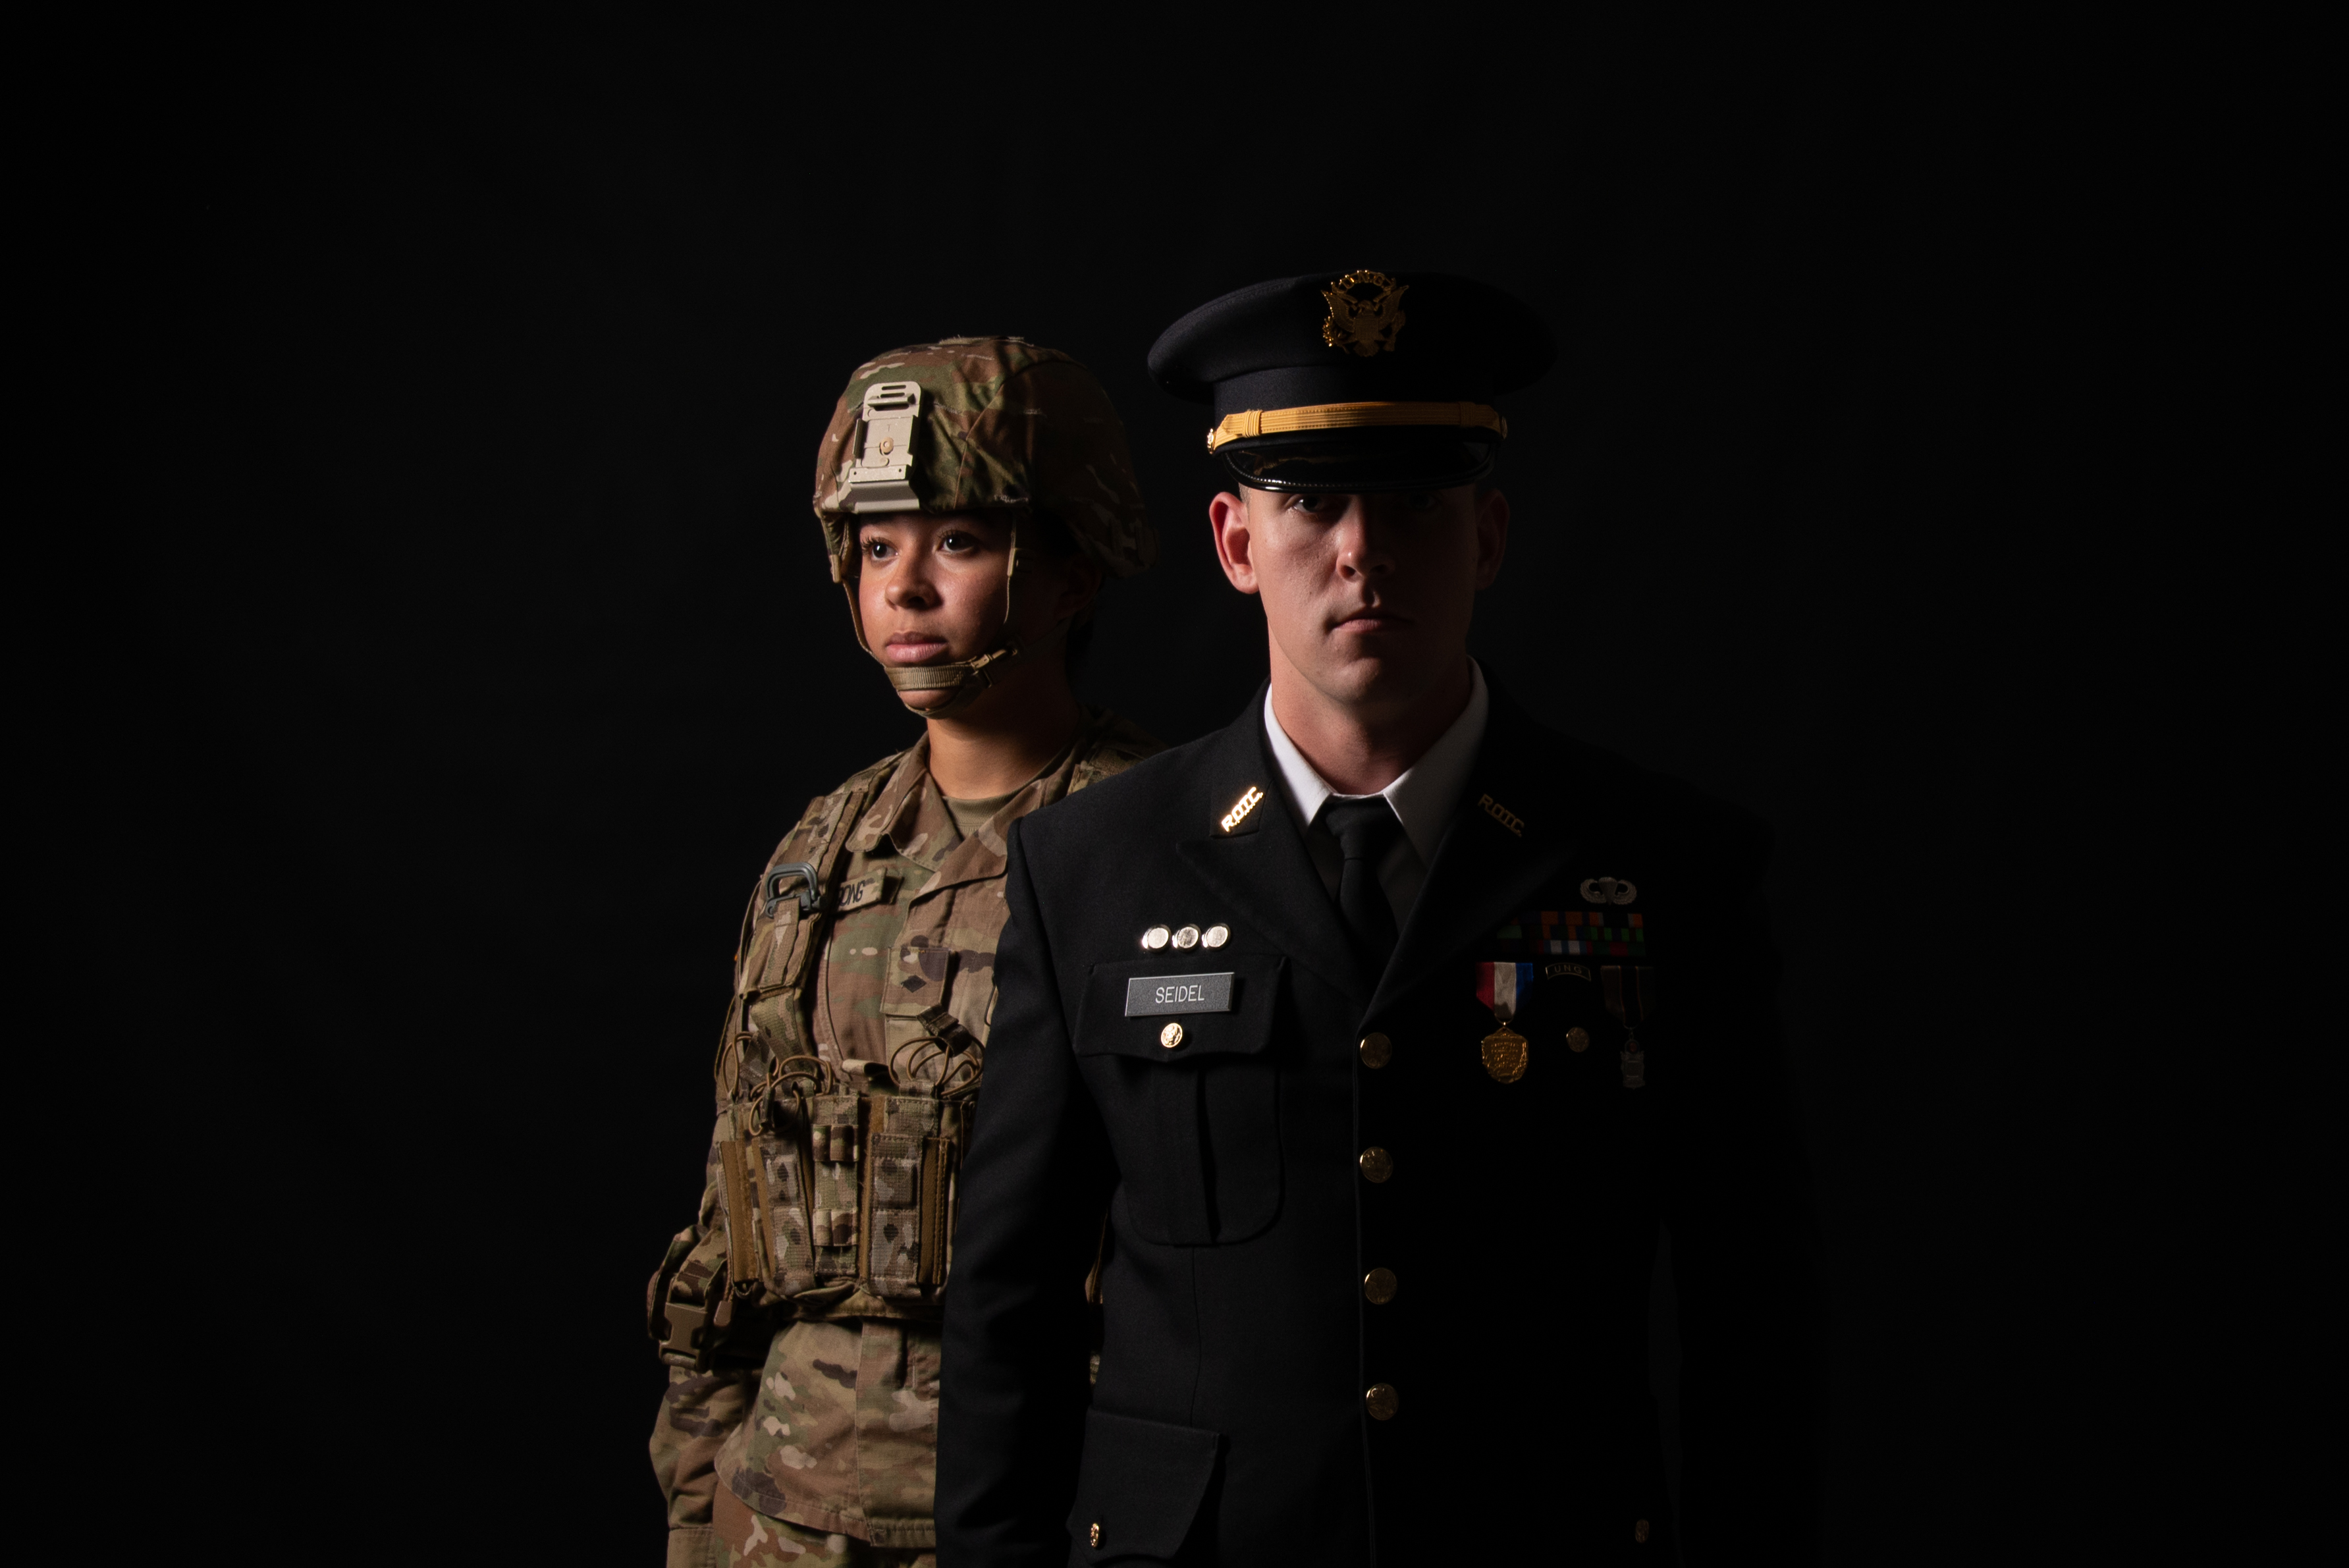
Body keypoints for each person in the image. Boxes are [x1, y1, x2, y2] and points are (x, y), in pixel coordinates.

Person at [935, 273, 1822, 1563]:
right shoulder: (1089, 870)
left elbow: (1754, 1318)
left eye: (1413, 502)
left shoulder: (1666, 868)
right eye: (1308, 505)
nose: (1361, 549)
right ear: (1236, 545)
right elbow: (1007, 1313)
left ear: (1489, 537)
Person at [647, 337, 1164, 1568]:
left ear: (1073, 572)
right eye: (878, 546)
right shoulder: (816, 857)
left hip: (1036, 1513)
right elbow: (724, 1254)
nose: (906, 589)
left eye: (961, 542)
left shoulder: (1154, 850)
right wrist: (696, 1507)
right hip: (783, 1519)